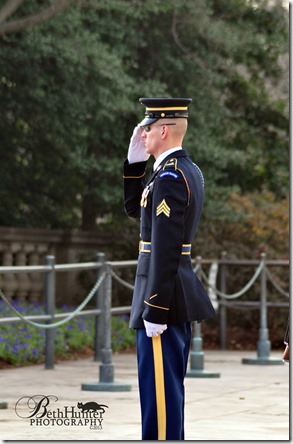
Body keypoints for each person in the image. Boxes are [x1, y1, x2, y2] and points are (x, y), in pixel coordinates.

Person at [123, 97, 216, 440]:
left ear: (163, 130)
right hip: (168, 292)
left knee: (160, 401)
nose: (142, 134)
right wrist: (135, 162)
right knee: (164, 394)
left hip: (163, 297)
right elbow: (136, 209)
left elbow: (165, 248)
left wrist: (156, 308)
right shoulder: (177, 171)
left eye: (146, 129)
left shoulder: (171, 178)